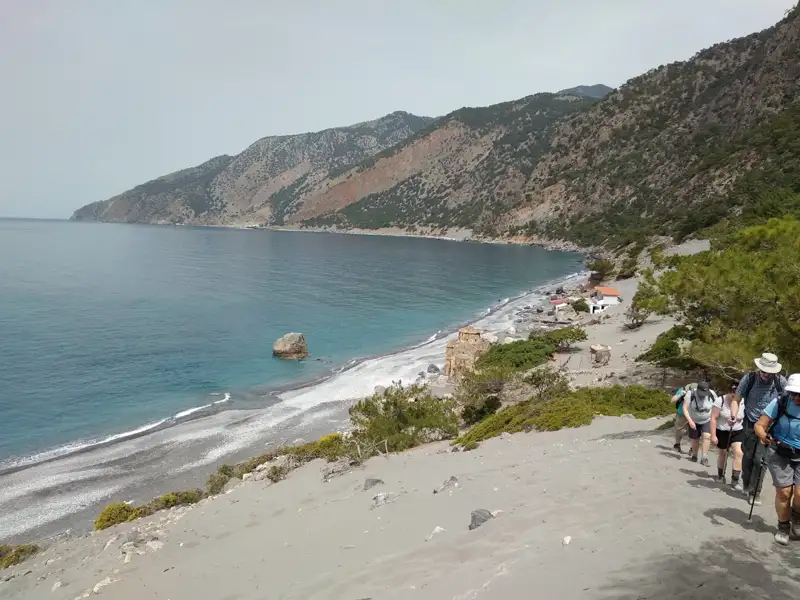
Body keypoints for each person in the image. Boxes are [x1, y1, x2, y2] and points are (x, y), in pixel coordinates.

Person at [729, 352, 787, 505]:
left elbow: (788, 402)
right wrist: (733, 415)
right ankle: (747, 483)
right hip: (750, 422)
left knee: (760, 460)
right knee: (747, 456)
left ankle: (756, 492)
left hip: (770, 425)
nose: (767, 375)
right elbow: (736, 400)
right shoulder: (749, 379)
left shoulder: (781, 382)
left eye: (770, 372)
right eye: (764, 371)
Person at [753, 372, 800, 546]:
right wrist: (763, 436)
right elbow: (760, 425)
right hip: (779, 451)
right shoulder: (780, 402)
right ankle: (783, 527)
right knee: (784, 492)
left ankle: (797, 518)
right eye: (793, 393)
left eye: (799, 394)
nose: (796, 398)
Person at [711, 381, 745, 490]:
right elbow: (713, 418)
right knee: (723, 453)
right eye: (732, 393)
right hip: (722, 430)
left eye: (736, 394)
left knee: (738, 453)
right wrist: (713, 435)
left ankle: (735, 480)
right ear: (728, 392)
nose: (733, 396)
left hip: (738, 430)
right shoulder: (720, 400)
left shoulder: (744, 401)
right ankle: (720, 475)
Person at [682, 380, 718, 466]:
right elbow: (685, 408)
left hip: (707, 419)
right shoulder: (691, 394)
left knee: (707, 436)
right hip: (694, 420)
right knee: (695, 439)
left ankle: (704, 457)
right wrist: (690, 421)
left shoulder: (711, 394)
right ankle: (694, 455)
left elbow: (717, 406)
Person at [672, 382, 697, 453]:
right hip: (682, 414)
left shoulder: (700, 393)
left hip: (694, 415)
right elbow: (672, 400)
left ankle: (693, 449)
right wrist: (680, 395)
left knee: (694, 431)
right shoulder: (682, 390)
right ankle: (677, 444)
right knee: (680, 430)